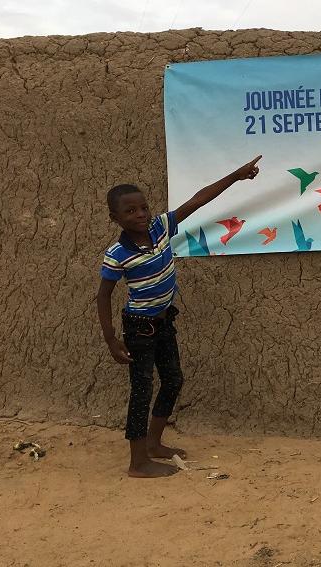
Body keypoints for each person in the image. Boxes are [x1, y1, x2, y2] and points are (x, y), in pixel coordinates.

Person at [96, 155, 262, 478]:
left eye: (143, 207)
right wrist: (111, 338)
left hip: (163, 322)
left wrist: (237, 176)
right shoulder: (117, 255)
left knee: (173, 379)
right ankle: (137, 463)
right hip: (139, 329)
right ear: (115, 218)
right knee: (141, 391)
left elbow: (198, 200)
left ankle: (153, 444)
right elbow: (103, 296)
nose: (141, 214)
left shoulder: (160, 228)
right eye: (130, 211)